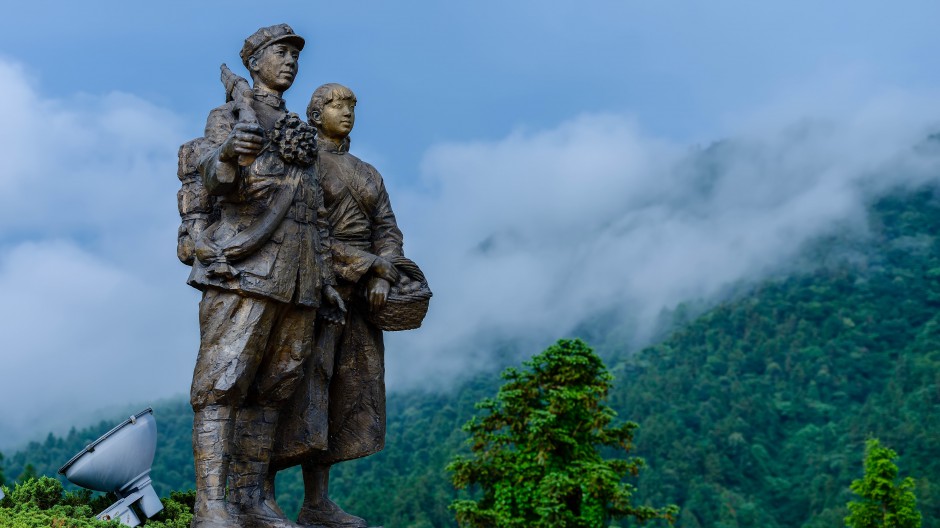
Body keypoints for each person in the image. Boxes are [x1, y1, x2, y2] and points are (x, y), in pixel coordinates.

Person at [186, 24, 342, 528]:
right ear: (254, 61)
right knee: (222, 383)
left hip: (299, 273)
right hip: (245, 266)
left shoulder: (296, 123)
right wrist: (230, 150)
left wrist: (325, 279)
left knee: (276, 385)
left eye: (296, 55)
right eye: (281, 52)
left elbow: (314, 204)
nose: (291, 61)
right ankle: (211, 502)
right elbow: (212, 176)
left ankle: (253, 500)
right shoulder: (229, 115)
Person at [267, 83, 407, 528]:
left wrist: (385, 267)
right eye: (335, 104)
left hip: (363, 299)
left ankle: (317, 501)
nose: (346, 112)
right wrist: (367, 267)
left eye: (351, 105)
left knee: (347, 393)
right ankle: (261, 494)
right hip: (313, 290)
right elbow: (305, 229)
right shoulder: (303, 164)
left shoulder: (368, 173)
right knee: (298, 389)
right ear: (314, 112)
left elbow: (388, 229)